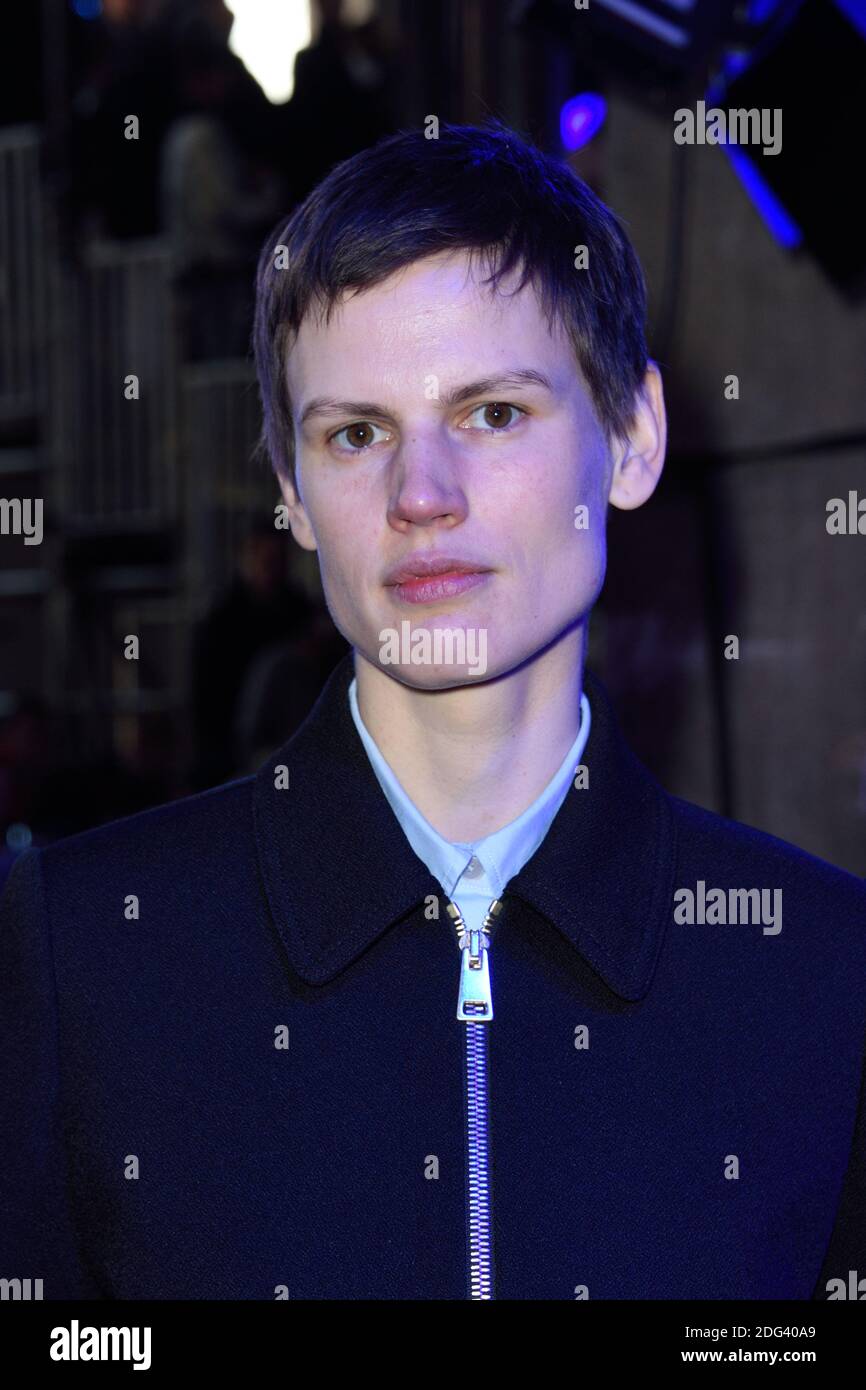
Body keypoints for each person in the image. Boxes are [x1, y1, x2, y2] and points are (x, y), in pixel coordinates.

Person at [1, 120, 864, 1301]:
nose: (420, 494)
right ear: (293, 494)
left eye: (491, 414)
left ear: (631, 437)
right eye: (356, 434)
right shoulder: (72, 952)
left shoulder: (824, 976)